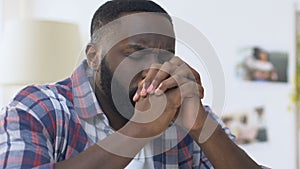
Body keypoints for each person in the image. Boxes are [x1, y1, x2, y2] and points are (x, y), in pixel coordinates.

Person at [0, 0, 269, 168]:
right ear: (94, 57)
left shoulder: (187, 115)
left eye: (166, 55)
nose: (153, 66)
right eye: (135, 52)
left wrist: (200, 125)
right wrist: (140, 128)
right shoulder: (39, 108)